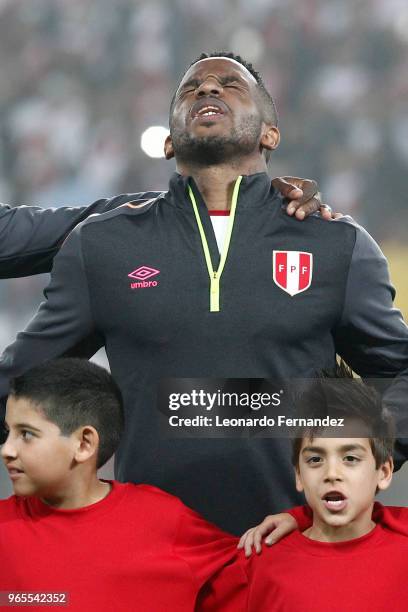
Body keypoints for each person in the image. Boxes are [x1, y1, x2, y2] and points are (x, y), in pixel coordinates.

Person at [0, 51, 407, 535]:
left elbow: (399, 370)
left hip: (297, 545)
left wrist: (360, 460)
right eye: (191, 89)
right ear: (169, 142)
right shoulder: (104, 246)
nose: (208, 89)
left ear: (270, 133)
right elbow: (20, 383)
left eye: (230, 85)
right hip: (152, 553)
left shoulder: (336, 244)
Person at [0, 358, 242, 611]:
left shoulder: (164, 520)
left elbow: (264, 574)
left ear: (84, 444)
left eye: (26, 434)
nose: (6, 450)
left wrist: (289, 519)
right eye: (8, 433)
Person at [200, 369, 408, 611]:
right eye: (315, 460)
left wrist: (298, 516)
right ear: (299, 475)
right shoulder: (261, 565)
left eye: (350, 458)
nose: (332, 473)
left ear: (383, 472)